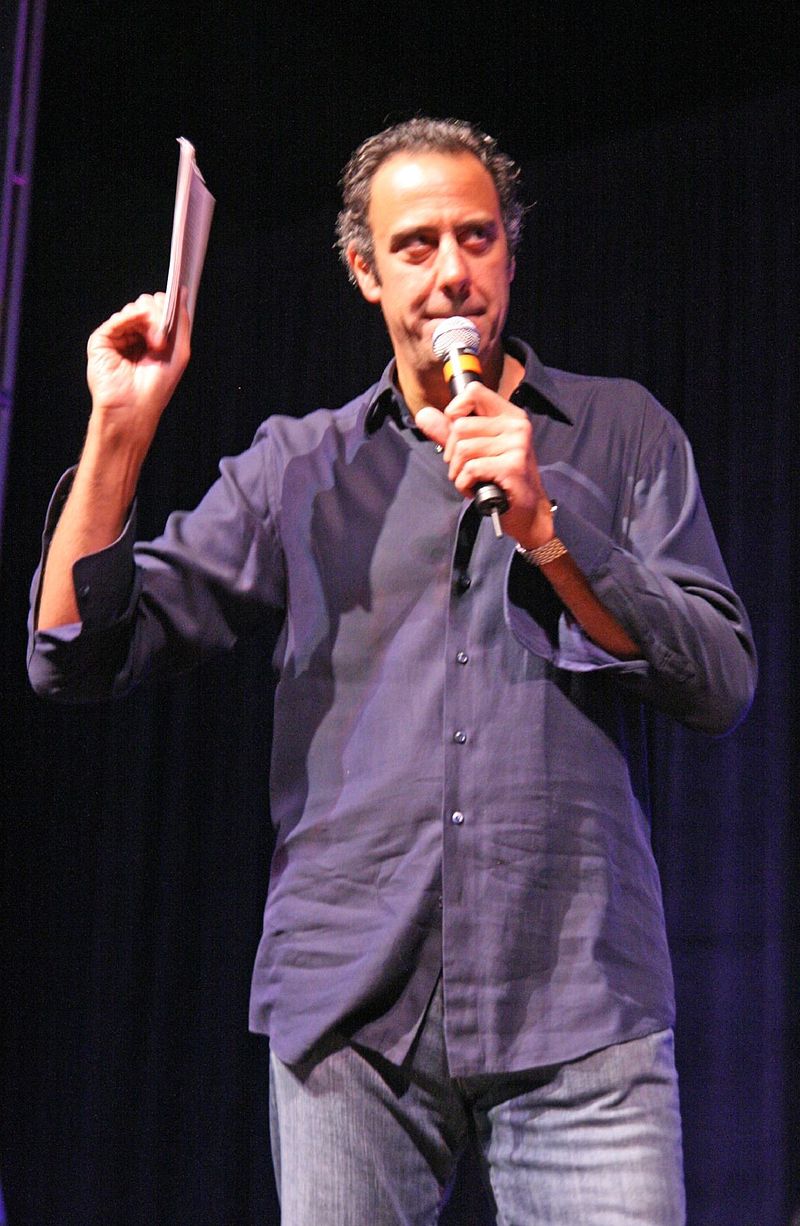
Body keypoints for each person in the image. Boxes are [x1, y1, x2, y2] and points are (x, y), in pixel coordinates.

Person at [29, 118, 756, 1224]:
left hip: (578, 1003)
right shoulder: (299, 466)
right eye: (415, 245)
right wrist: (119, 435)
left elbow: (719, 681)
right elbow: (78, 653)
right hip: (350, 1012)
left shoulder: (622, 432)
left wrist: (552, 532)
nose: (452, 271)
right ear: (365, 271)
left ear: (509, 251)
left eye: (476, 237)